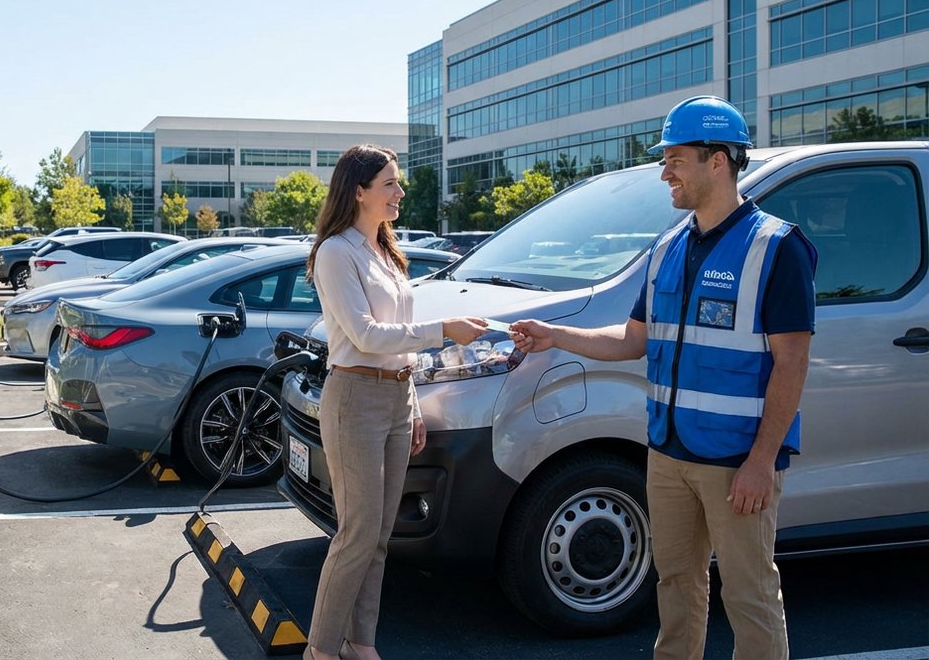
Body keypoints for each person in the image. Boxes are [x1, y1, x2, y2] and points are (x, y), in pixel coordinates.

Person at [509, 96, 817, 660]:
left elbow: (792, 363)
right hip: (668, 452)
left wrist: (761, 461)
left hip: (736, 460)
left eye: (675, 159)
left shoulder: (776, 247)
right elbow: (633, 340)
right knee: (675, 584)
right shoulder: (667, 247)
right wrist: (555, 335)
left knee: (748, 594)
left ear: (717, 161)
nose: (664, 172)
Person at [303, 144, 487, 660]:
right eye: (390, 183)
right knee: (357, 535)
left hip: (395, 397)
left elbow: (396, 340)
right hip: (355, 398)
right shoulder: (336, 252)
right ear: (359, 191)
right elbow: (365, 335)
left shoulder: (385, 250)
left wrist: (412, 403)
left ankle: (360, 644)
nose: (400, 192)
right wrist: (443, 330)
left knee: (380, 537)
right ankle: (320, 650)